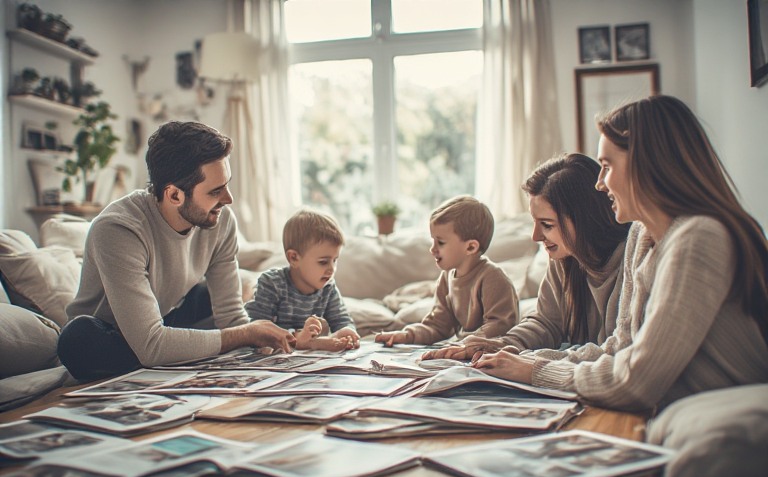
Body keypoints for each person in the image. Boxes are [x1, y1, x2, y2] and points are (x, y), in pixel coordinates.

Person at [472, 94, 768, 412]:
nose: (599, 184)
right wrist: (523, 360)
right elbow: (620, 346)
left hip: (720, 414)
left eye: (607, 166)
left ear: (647, 166)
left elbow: (634, 382)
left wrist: (535, 370)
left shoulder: (699, 238)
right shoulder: (643, 235)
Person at [57, 121, 294, 381]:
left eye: (226, 185)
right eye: (215, 191)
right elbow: (150, 344)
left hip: (166, 317)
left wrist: (264, 343)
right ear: (173, 195)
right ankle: (174, 353)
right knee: (77, 339)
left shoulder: (222, 221)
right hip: (110, 337)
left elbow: (231, 317)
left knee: (206, 297)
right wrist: (243, 335)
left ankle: (177, 352)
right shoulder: (117, 228)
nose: (228, 199)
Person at [422, 153, 629, 362]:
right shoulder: (564, 259)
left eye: (547, 225)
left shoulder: (629, 259)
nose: (535, 236)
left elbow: (618, 355)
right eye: (535, 222)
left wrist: (530, 362)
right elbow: (546, 322)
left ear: (584, 219)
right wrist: (501, 345)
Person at [375, 195, 519, 347]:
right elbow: (438, 325)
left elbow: (500, 327)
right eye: (433, 241)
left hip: (490, 354)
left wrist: (465, 344)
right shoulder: (447, 276)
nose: (432, 249)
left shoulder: (493, 278)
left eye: (441, 242)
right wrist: (407, 335)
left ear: (470, 247)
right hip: (463, 351)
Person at [245, 209, 360, 352]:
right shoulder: (272, 283)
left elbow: (341, 319)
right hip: (278, 344)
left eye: (335, 260)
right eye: (323, 262)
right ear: (294, 258)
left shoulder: (328, 287)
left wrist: (346, 331)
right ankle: (308, 342)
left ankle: (311, 342)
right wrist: (296, 336)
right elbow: (255, 327)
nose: (332, 269)